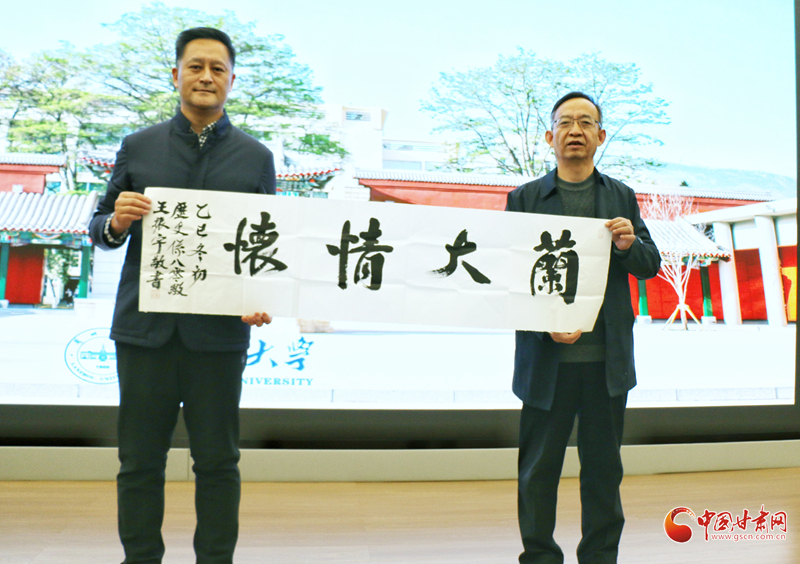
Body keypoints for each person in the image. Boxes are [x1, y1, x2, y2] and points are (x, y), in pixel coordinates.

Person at [89, 27, 274, 564]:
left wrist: (259, 296)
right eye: (196, 66)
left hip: (218, 335)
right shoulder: (138, 146)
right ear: (176, 75)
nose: (206, 77)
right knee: (138, 461)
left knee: (218, 462)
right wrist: (116, 222)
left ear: (232, 80)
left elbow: (266, 243)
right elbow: (98, 226)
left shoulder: (256, 156)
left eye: (218, 69)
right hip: (144, 332)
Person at [506, 92, 661, 564]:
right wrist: (545, 327)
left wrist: (628, 246)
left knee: (603, 473)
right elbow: (510, 277)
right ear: (549, 136)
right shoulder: (525, 198)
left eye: (586, 122)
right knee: (538, 473)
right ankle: (539, 557)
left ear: (601, 135)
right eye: (566, 122)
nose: (576, 130)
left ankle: (600, 556)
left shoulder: (621, 196)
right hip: (545, 361)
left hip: (605, 362)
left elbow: (649, 265)